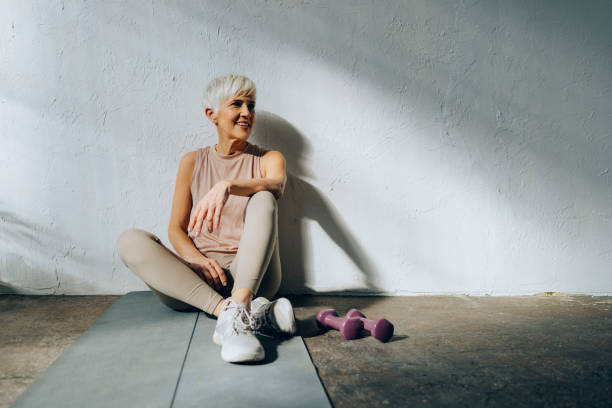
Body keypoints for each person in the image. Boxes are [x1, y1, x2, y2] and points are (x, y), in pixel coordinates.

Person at [116, 74, 296, 363]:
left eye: (251, 105)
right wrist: (195, 260)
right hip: (197, 282)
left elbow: (276, 185)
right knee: (129, 240)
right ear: (212, 115)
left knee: (263, 196)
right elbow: (175, 228)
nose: (247, 113)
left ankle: (239, 305)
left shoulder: (268, 158)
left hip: (252, 276)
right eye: (237, 104)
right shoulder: (191, 161)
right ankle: (243, 313)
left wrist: (227, 185)